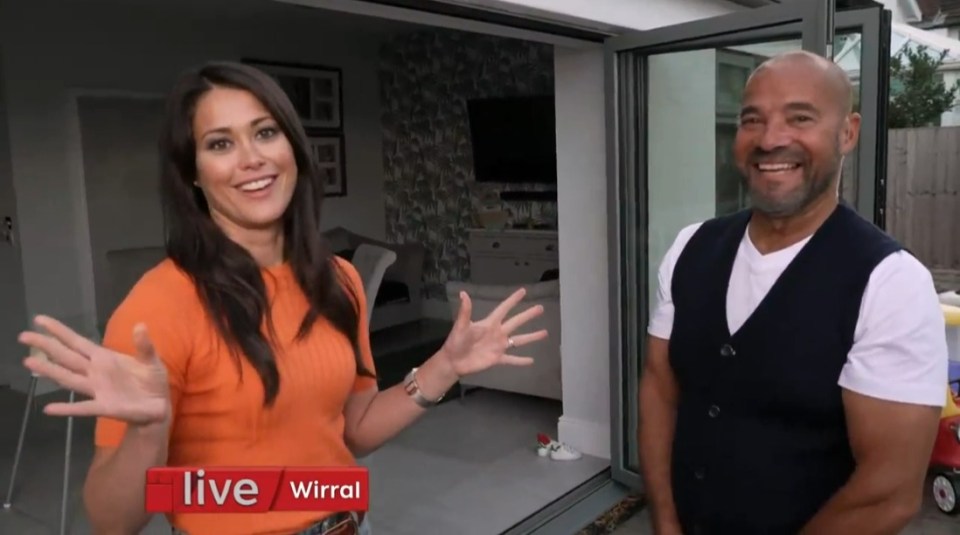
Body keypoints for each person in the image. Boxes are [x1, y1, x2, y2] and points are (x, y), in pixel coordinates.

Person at [17, 61, 547, 535]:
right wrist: (147, 434)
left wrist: (446, 365)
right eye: (219, 144)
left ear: (293, 147)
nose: (250, 158)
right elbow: (112, 522)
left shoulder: (338, 279)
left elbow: (354, 432)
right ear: (193, 175)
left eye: (265, 132)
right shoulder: (159, 305)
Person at [638, 51, 948, 535]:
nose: (770, 139)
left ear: (848, 132)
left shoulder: (889, 282)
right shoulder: (690, 247)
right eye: (752, 119)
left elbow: (888, 493)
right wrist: (666, 523)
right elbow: (659, 390)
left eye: (799, 117)